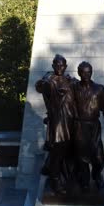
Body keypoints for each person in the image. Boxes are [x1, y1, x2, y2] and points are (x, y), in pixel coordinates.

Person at [35, 54, 77, 194]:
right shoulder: (49, 80)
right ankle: (55, 180)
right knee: (57, 152)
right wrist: (44, 83)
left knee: (68, 151)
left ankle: (62, 174)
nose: (60, 68)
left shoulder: (70, 79)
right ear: (53, 66)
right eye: (57, 65)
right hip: (58, 123)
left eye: (62, 65)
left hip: (71, 121)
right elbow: (40, 86)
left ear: (65, 66)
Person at [73, 61, 104, 189]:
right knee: (81, 157)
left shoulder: (99, 89)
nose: (86, 75)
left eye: (89, 72)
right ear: (79, 73)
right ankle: (85, 180)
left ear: (92, 72)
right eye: (83, 72)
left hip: (94, 126)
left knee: (99, 158)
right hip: (79, 126)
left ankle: (96, 175)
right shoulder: (74, 88)